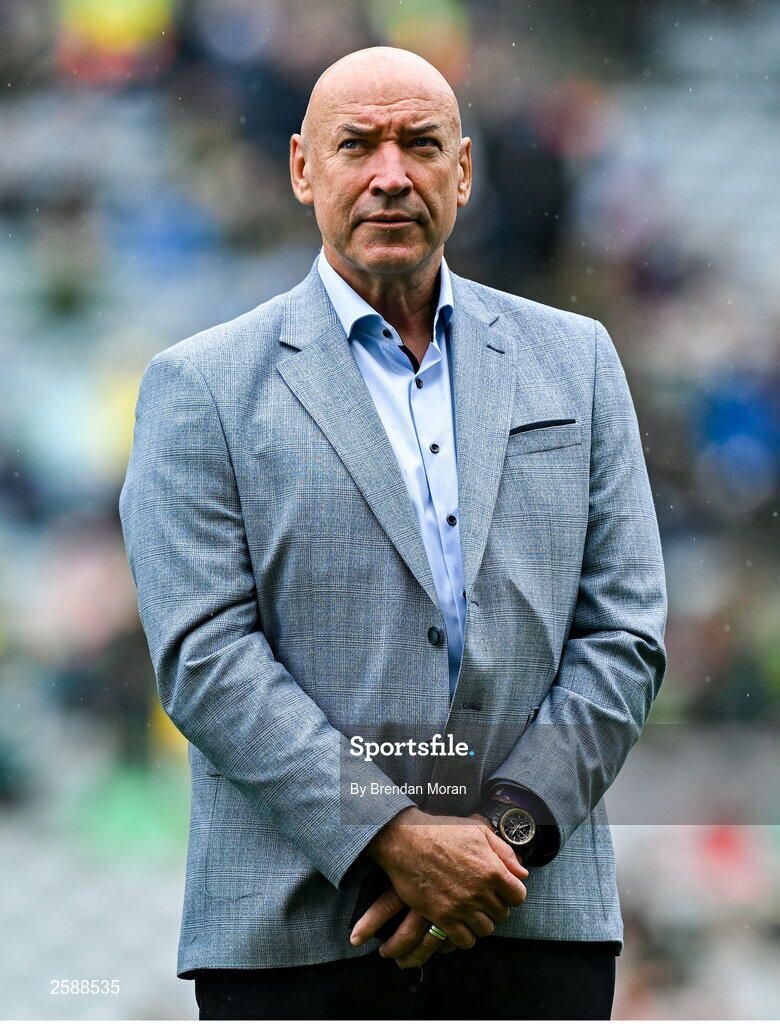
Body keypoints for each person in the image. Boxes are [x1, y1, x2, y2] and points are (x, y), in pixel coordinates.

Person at [119, 46, 667, 1020]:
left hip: (531, 919)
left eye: (420, 143)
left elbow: (623, 634)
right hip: (298, 935)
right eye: (356, 144)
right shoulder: (201, 387)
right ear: (301, 168)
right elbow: (204, 655)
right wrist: (394, 835)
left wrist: (497, 839)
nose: (390, 173)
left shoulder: (575, 362)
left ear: (463, 170)